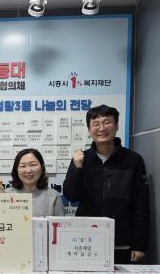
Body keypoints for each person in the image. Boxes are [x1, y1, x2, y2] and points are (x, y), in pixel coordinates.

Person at [63, 104, 149, 264]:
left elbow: (141, 205)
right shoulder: (81, 159)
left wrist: (140, 244)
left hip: (122, 243)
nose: (102, 128)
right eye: (96, 124)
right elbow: (71, 196)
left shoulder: (133, 160)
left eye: (107, 122)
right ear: (89, 130)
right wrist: (77, 168)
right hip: (86, 241)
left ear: (116, 126)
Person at [5, 148, 64, 217]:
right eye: (23, 166)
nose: (28, 170)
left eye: (33, 165)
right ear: (16, 170)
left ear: (42, 168)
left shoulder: (53, 196)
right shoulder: (6, 194)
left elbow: (60, 223)